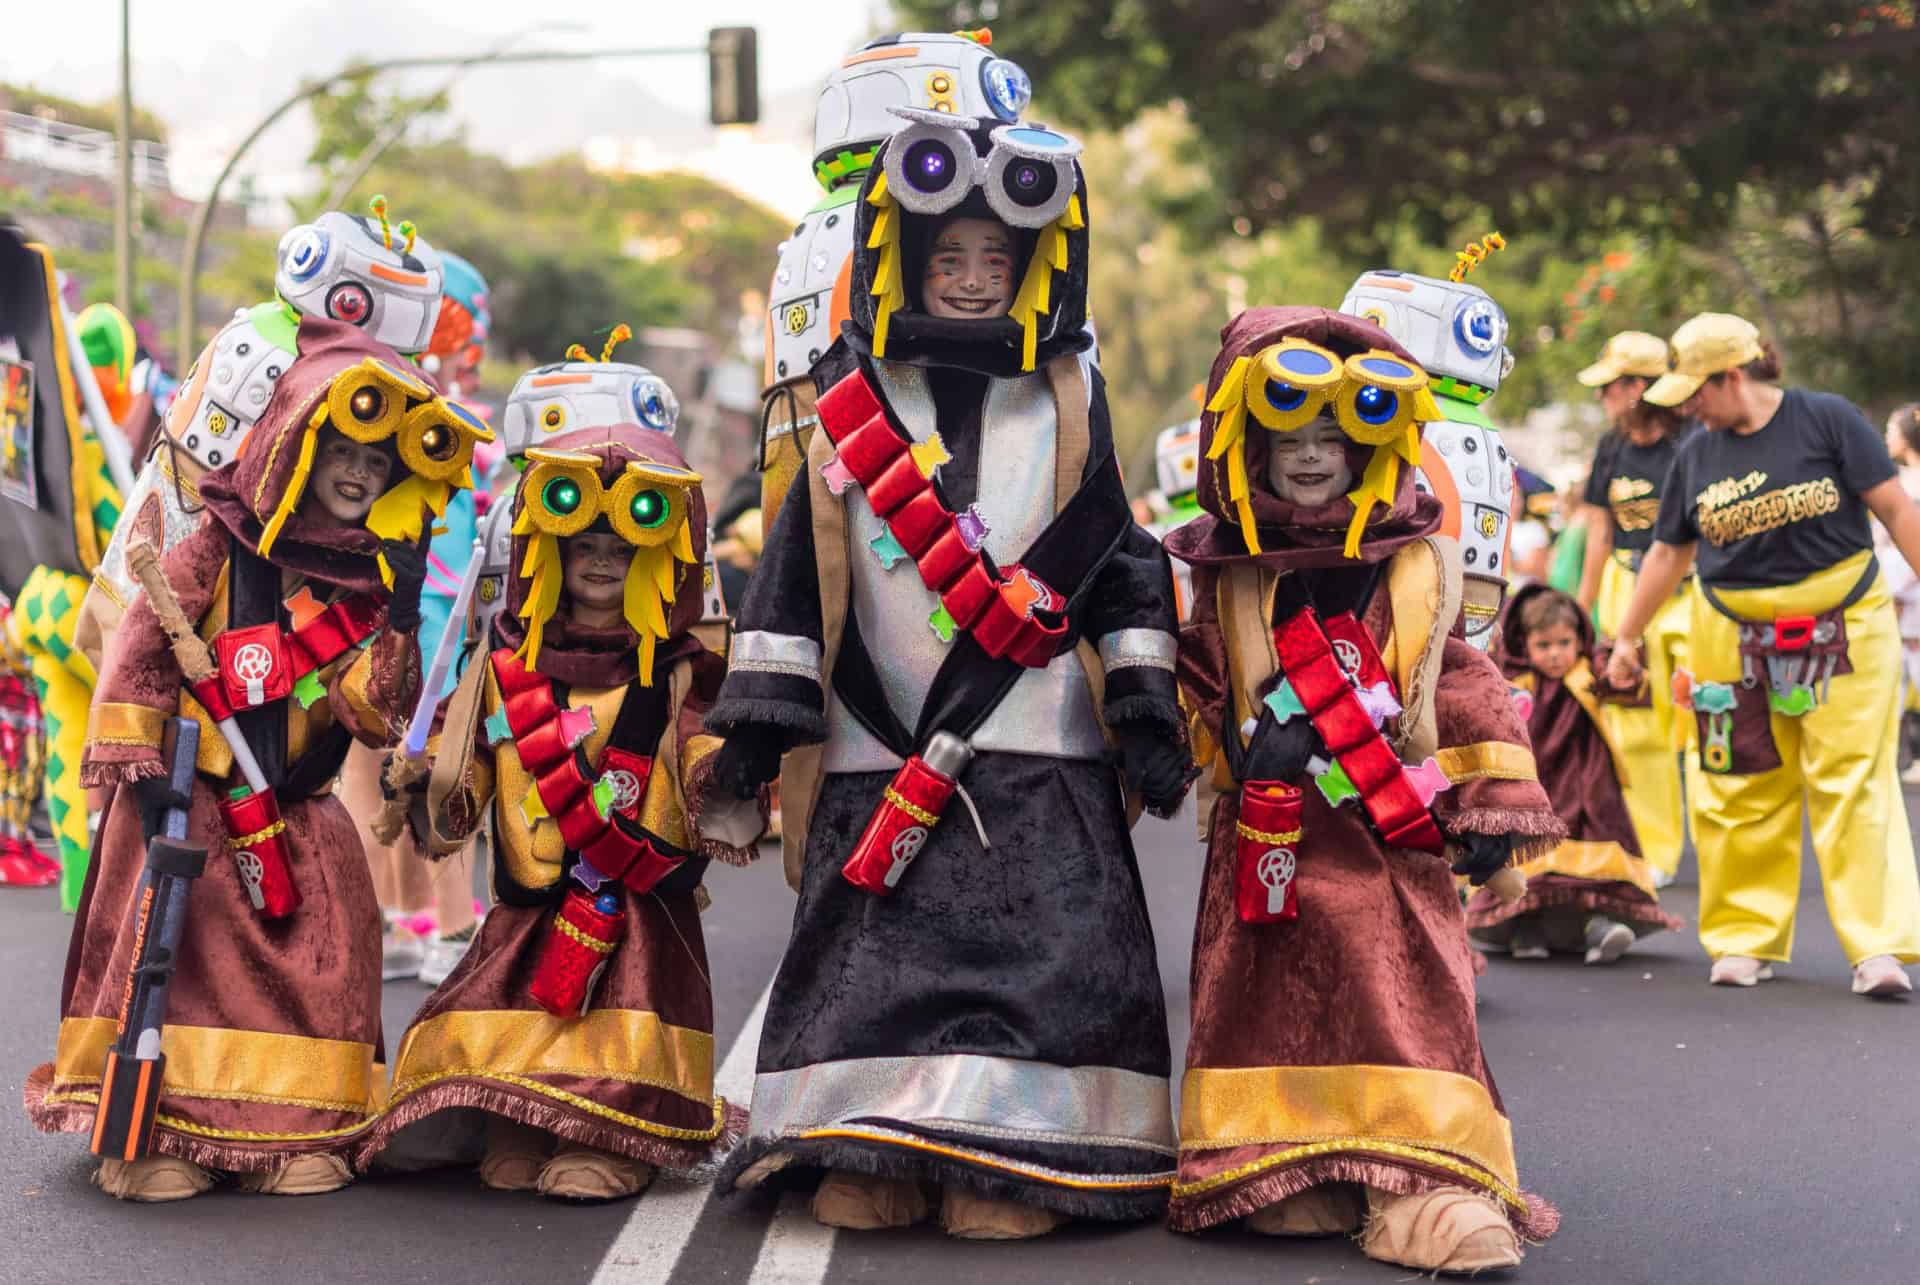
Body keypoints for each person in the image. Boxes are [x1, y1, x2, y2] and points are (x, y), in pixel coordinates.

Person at [705, 110, 1189, 1239]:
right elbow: (792, 572)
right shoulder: (844, 400)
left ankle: (1011, 1159)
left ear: (1033, 267)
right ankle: (870, 1146)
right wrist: (758, 727)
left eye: (995, 259)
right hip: (877, 753)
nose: (972, 280)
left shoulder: (1073, 392)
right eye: (948, 257)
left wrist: (1144, 697)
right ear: (901, 261)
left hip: (1043, 750)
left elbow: (1120, 558)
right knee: (872, 969)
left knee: (1043, 966)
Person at [25, 317, 489, 1199]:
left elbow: (367, 710)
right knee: (179, 974)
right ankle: (161, 1138)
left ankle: (292, 1130)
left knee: (316, 969)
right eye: (343, 450)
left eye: (378, 462)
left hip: (298, 818)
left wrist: (397, 618)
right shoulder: (215, 546)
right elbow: (140, 652)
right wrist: (138, 761)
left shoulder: (365, 584)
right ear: (296, 447)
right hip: (193, 809)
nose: (359, 473)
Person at [1166, 306, 1560, 1273]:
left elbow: (1458, 679)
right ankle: (1291, 1159)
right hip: (1268, 843)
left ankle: (1425, 1183)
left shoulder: (1416, 563)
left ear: (1370, 443)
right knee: (1266, 1005)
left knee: (1408, 999)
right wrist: (1160, 729)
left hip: (1389, 843)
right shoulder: (1225, 576)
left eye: (1332, 438)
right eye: (1289, 437)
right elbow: (1196, 682)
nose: (1310, 457)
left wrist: (1488, 816)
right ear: (1249, 445)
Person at [356, 414, 761, 1201]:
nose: (604, 561)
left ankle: (608, 1135)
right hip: (527, 906)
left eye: (623, 547)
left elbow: (703, 761)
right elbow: (464, 781)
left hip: (635, 919)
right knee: (507, 1092)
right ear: (551, 552)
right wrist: (429, 787)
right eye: (586, 545)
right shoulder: (504, 662)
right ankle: (524, 1123)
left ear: (653, 557)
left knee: (609, 1064)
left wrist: (731, 766)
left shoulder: (682, 673)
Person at [1606, 313, 1920, 995]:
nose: (1689, 407)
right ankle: (1745, 935)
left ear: (1734, 374)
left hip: (1845, 622)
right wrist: (1626, 637)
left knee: (1853, 782)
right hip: (1731, 631)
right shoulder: (1696, 453)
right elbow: (1668, 551)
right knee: (1736, 782)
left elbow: (1896, 511)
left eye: (1697, 391)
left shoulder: (1827, 420)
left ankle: (1877, 948)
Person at [1468, 585, 1683, 962]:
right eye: (1544, 645)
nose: (1555, 655)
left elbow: (1620, 683)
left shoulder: (1587, 671)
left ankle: (1598, 924)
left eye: (1564, 643)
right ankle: (1525, 928)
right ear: (1525, 643)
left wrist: (1624, 669)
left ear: (1579, 639)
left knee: (1593, 855)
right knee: (1528, 858)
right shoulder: (1516, 679)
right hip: (1534, 787)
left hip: (1587, 785)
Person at [1575, 331, 1696, 884]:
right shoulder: (1612, 448)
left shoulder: (1693, 441)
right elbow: (1600, 531)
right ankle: (1654, 852)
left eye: (1610, 387)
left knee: (1702, 723)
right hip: (1627, 590)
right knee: (1637, 726)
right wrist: (1584, 608)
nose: (1603, 398)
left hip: (1691, 594)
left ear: (1640, 387)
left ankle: (1722, 843)